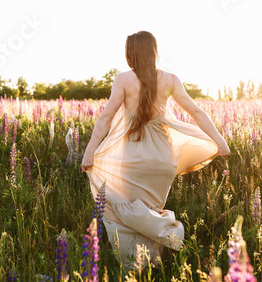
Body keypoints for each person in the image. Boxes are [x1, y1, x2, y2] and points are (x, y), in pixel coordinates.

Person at [81, 31, 230, 269]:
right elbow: (196, 112)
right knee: (152, 211)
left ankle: (139, 264)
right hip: (163, 158)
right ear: (154, 52)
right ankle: (156, 264)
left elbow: (105, 118)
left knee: (128, 211)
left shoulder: (122, 80)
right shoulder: (170, 79)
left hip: (132, 157)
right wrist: (220, 141)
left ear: (130, 54)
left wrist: (90, 152)